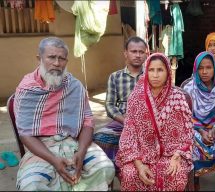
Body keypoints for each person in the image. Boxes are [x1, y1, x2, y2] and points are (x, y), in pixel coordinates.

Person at [14, 37, 114, 191]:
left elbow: (87, 122)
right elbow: (25, 133)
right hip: (41, 148)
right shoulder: (27, 89)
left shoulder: (74, 86)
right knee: (31, 184)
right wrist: (54, 160)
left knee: (104, 167)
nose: (57, 63)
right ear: (39, 59)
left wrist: (81, 153)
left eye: (61, 58)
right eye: (51, 57)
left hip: (73, 142)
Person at [116, 53, 193, 191]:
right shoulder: (136, 97)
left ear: (168, 72)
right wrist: (139, 165)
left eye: (160, 70)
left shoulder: (177, 97)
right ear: (146, 72)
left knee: (176, 174)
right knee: (130, 174)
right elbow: (129, 133)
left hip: (171, 153)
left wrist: (177, 155)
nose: (155, 75)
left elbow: (186, 132)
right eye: (151, 70)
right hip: (141, 155)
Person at [93, 36, 147, 165]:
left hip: (147, 122)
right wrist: (125, 120)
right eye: (133, 51)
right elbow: (110, 105)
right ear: (125, 54)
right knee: (99, 138)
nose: (138, 55)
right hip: (122, 121)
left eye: (141, 52)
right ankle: (114, 169)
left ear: (146, 54)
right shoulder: (115, 77)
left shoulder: (151, 75)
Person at [183, 51, 215, 190]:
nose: (204, 72)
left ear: (214, 68)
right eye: (200, 68)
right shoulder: (189, 88)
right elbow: (185, 117)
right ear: (196, 69)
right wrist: (202, 131)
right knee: (192, 145)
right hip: (195, 128)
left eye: (208, 67)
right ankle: (194, 184)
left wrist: (214, 130)